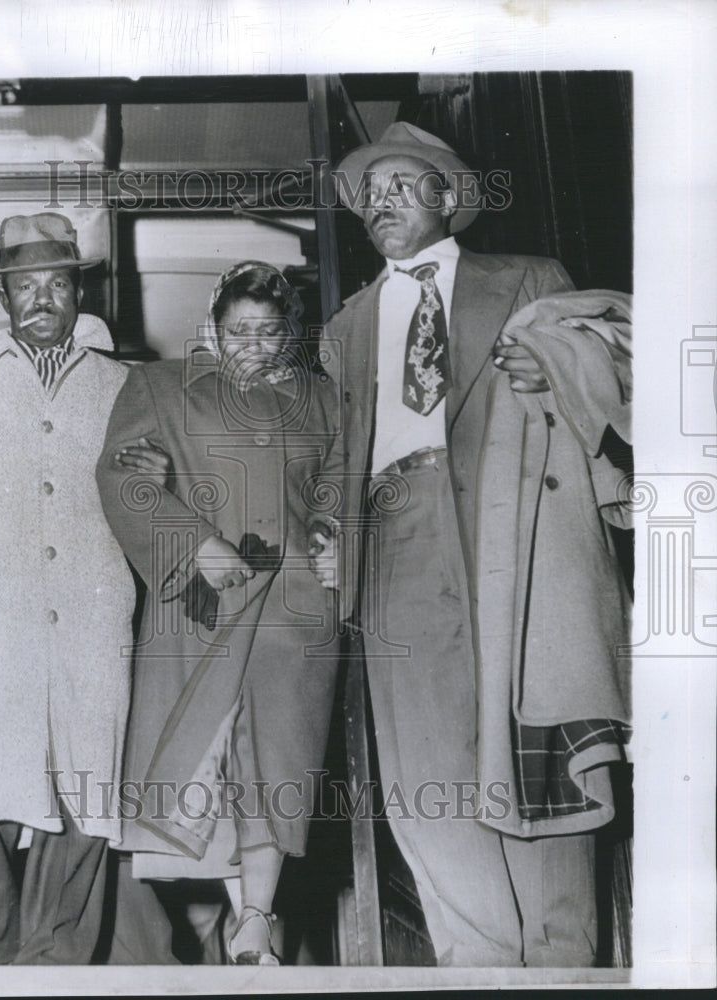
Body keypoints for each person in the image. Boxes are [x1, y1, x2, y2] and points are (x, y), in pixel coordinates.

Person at [323, 123, 632, 967]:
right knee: (427, 788)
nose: (381, 205)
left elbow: (619, 353)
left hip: (514, 550)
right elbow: (338, 454)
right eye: (369, 194)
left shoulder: (526, 279)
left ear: (449, 200)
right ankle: (477, 971)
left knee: (538, 761)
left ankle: (563, 968)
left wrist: (560, 375)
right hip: (394, 556)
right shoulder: (347, 326)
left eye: (401, 186)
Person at [0, 212, 174, 965]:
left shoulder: (128, 385)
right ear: (1, 291)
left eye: (58, 282)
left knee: (87, 796)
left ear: (79, 288)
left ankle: (53, 968)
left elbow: (163, 502)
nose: (42, 298)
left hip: (91, 625)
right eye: (25, 284)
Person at [96, 261, 343, 965]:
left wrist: (333, 541)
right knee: (205, 764)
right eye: (240, 331)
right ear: (213, 327)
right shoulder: (160, 387)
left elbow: (337, 485)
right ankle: (242, 927)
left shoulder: (324, 400)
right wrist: (194, 542)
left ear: (290, 334)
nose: (255, 346)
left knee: (276, 764)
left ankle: (255, 921)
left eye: (270, 333)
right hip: (201, 609)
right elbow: (124, 479)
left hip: (293, 612)